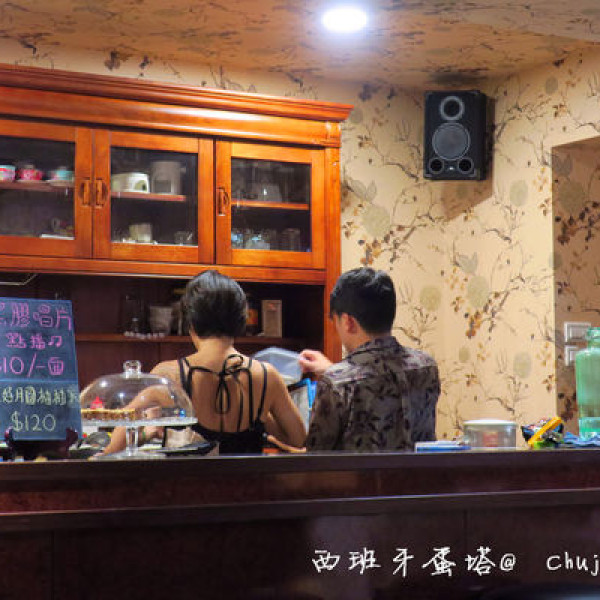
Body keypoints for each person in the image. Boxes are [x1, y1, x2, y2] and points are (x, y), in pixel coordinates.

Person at [103, 270, 306, 455]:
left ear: (191, 321)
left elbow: (117, 440)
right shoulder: (266, 375)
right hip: (247, 484)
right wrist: (260, 413)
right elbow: (299, 440)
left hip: (184, 485)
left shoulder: (168, 375)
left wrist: (145, 434)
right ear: (241, 320)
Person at [292, 266, 440, 452]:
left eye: (335, 321)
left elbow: (316, 458)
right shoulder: (426, 366)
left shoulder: (336, 382)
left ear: (348, 322)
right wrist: (333, 370)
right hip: (421, 472)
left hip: (358, 474)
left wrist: (334, 374)